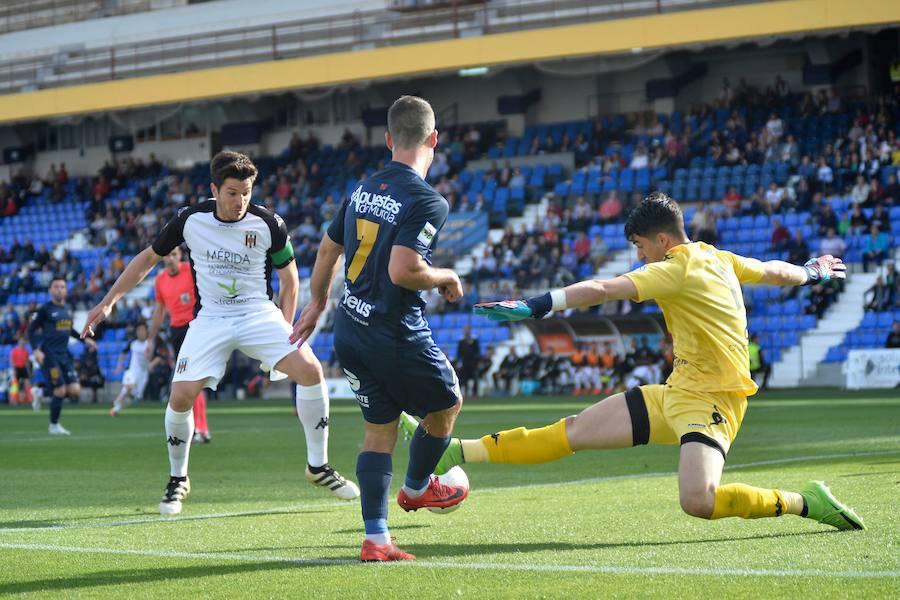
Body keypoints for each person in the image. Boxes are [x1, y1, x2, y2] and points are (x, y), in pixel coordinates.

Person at [408, 192, 864, 533]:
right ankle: (454, 450)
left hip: (715, 402)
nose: (639, 256)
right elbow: (774, 271)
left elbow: (604, 289)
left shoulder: (674, 267)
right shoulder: (718, 257)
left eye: (642, 246)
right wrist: (812, 271)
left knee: (698, 501)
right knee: (572, 432)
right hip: (675, 393)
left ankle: (805, 502)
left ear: (663, 240)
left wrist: (536, 304)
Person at [81, 150, 358, 515]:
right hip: (210, 318)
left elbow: (290, 282)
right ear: (214, 189)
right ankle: (178, 478)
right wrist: (108, 301)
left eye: (246, 192)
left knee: (311, 371)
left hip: (258, 313)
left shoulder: (269, 224)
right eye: (232, 193)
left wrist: (285, 332)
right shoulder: (189, 219)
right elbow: (147, 259)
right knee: (180, 396)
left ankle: (318, 467)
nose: (240, 201)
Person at [289, 96, 467, 562]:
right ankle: (414, 488)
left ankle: (377, 539)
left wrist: (316, 303)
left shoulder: (361, 189)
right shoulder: (429, 200)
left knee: (379, 432)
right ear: (434, 139)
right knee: (448, 402)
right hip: (393, 331)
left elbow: (328, 250)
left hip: (350, 329)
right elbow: (403, 271)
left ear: (389, 140)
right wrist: (446, 276)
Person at [146, 246, 211, 442]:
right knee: (186, 380)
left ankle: (200, 428)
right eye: (166, 254)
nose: (169, 258)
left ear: (180, 256)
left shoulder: (191, 270)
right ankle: (199, 429)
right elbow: (159, 311)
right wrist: (151, 339)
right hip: (176, 332)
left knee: (192, 379)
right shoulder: (160, 280)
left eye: (173, 254)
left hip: (196, 327)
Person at [27, 277, 97, 434]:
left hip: (64, 355)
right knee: (60, 390)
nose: (59, 289)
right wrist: (36, 350)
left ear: (66, 290)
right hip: (49, 356)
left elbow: (69, 330)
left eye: (62, 287)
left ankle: (40, 392)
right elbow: (31, 330)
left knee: (75, 390)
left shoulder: (66, 310)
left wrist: (85, 339)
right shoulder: (45, 309)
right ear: (50, 290)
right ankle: (54, 425)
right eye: (56, 286)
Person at [110, 322, 151, 416]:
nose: (141, 332)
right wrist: (119, 366)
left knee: (132, 396)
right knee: (130, 387)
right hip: (132, 371)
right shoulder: (133, 343)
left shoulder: (149, 343)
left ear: (146, 331)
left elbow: (158, 356)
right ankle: (118, 402)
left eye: (143, 330)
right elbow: (123, 353)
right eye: (139, 330)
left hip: (143, 374)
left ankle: (116, 408)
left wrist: (152, 363)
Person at [456, 325, 482, 399]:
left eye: (467, 329)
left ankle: (474, 393)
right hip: (464, 363)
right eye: (465, 329)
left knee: (475, 378)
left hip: (473, 363)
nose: (466, 331)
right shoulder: (461, 341)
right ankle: (466, 393)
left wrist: (477, 361)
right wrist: (459, 362)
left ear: (470, 330)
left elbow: (478, 352)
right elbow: (459, 353)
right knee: (464, 379)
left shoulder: (474, 340)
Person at [9, 337, 31, 406]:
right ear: (19, 342)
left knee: (27, 384)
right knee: (15, 385)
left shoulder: (26, 351)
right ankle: (13, 400)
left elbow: (27, 362)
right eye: (21, 341)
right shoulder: (14, 350)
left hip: (23, 368)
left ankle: (29, 399)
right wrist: (14, 369)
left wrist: (28, 371)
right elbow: (12, 361)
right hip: (17, 368)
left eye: (24, 341)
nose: (22, 343)